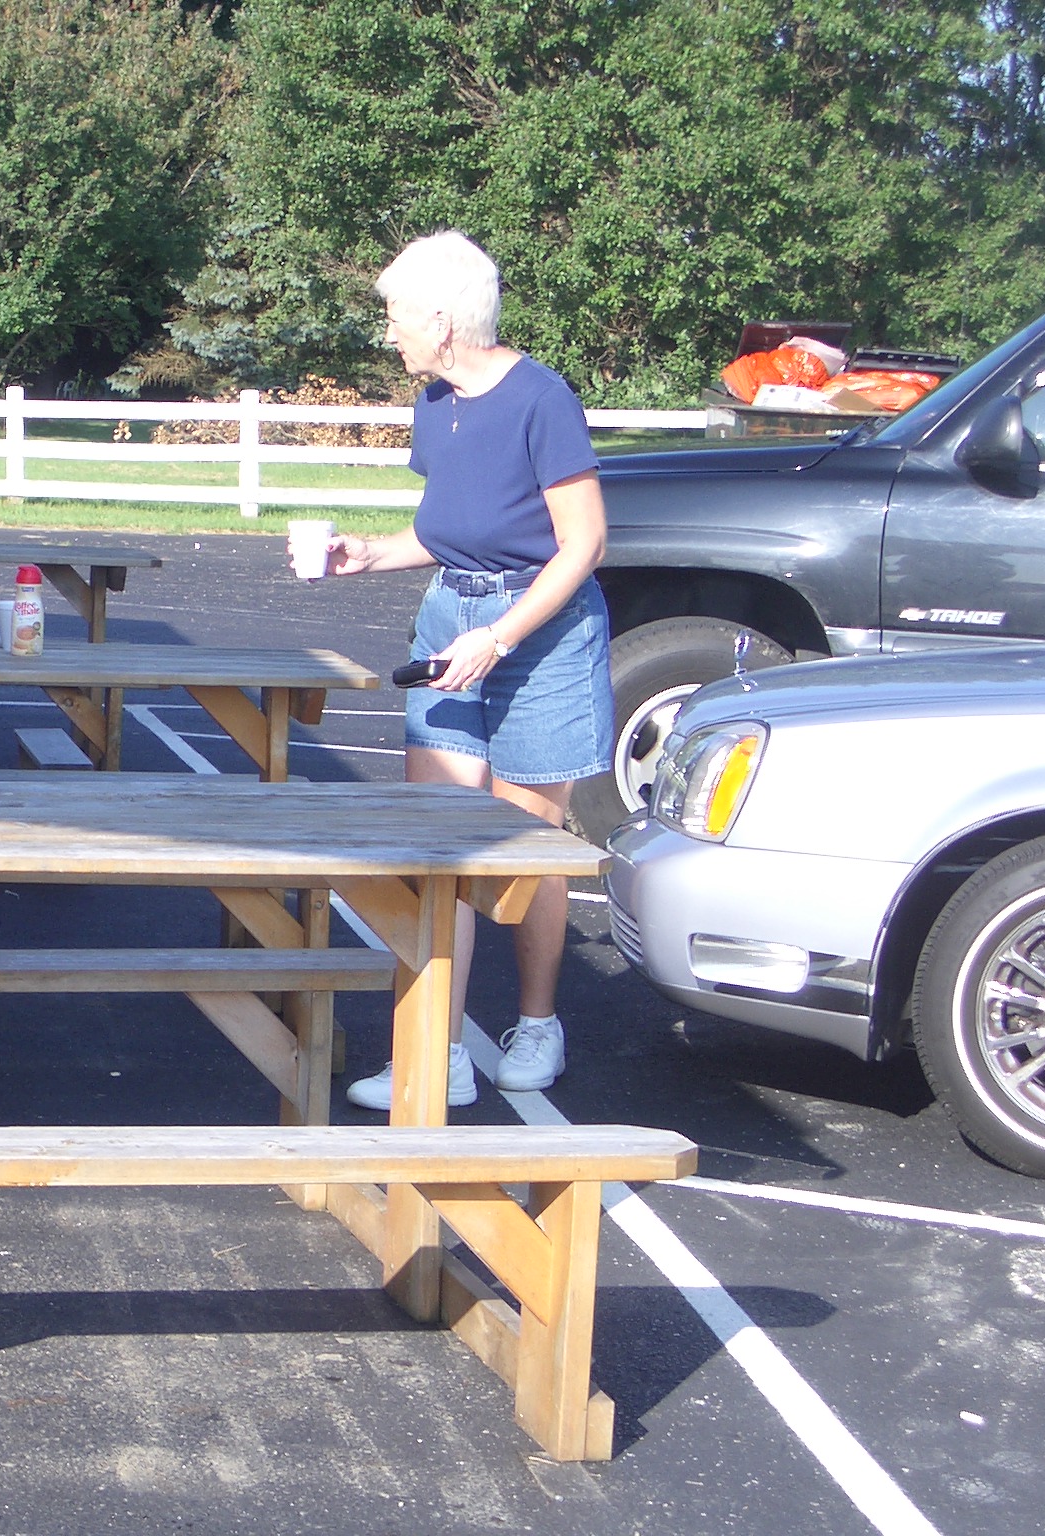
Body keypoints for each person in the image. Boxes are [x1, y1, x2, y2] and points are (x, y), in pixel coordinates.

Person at [319, 230, 611, 1107]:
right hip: (452, 615)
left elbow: (584, 544)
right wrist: (368, 555)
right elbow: (446, 528)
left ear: (443, 320)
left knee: (524, 847)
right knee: (440, 840)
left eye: (396, 315)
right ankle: (436, 1050)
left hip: (540, 631)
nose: (389, 332)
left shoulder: (542, 400)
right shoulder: (434, 402)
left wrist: (501, 638)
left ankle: (537, 1023)